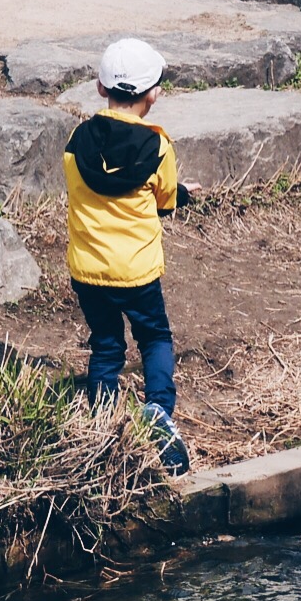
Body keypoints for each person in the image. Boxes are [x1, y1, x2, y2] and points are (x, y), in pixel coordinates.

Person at [63, 38, 191, 471]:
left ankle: (101, 424)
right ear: (153, 93)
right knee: (154, 337)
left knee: (105, 347)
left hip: (88, 270)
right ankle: (158, 409)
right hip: (136, 272)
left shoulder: (76, 141)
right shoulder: (158, 148)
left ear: (101, 88)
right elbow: (165, 202)